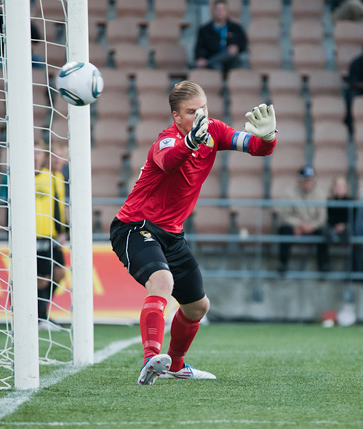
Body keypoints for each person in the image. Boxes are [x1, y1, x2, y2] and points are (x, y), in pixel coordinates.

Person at [109, 81, 277, 385]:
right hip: (135, 226)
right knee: (162, 281)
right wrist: (190, 143)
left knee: (198, 306)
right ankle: (151, 359)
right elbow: (170, 161)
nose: (200, 115)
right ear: (176, 117)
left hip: (171, 234)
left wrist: (268, 138)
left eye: (204, 108)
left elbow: (255, 147)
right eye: (191, 112)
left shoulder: (214, 130)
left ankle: (175, 364)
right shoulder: (166, 141)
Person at [34, 139, 67, 330]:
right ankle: (40, 316)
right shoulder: (26, 177)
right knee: (41, 277)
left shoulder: (55, 178)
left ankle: (41, 313)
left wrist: (61, 230)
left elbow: (57, 207)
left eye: (39, 152)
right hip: (36, 234)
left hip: (52, 234)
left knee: (58, 273)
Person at [276, 166, 331, 274]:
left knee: (323, 232)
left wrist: (311, 226)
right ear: (299, 180)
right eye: (305, 179)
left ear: (314, 180)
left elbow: (322, 217)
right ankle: (283, 263)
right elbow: (284, 215)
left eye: (309, 180)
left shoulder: (320, 194)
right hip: (296, 226)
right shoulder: (290, 192)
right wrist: (300, 224)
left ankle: (324, 265)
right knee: (284, 230)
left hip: (313, 226)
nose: (307, 182)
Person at [193, 0, 247, 75]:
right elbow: (199, 47)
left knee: (229, 54)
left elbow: (243, 43)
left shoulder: (235, 28)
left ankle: (208, 62)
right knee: (217, 65)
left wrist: (236, 47)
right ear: (213, 11)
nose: (220, 12)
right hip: (213, 59)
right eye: (218, 9)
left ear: (227, 11)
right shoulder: (204, 30)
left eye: (223, 9)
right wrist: (200, 57)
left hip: (231, 61)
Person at [326, 176, 355, 245]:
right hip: (332, 226)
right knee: (324, 230)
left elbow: (353, 218)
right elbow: (328, 218)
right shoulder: (329, 201)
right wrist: (335, 226)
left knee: (349, 230)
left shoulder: (352, 201)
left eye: (342, 186)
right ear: (334, 188)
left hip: (346, 227)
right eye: (338, 186)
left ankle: (346, 252)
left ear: (346, 188)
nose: (340, 189)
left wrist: (343, 225)